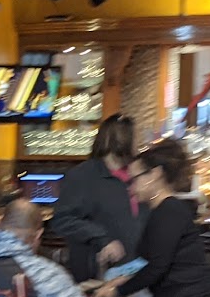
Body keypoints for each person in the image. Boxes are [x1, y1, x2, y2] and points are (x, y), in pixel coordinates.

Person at [96, 138, 210, 297]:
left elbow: (157, 267)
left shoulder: (169, 211)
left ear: (154, 175)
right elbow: (152, 262)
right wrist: (118, 281)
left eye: (134, 179)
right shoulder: (163, 211)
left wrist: (116, 292)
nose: (130, 187)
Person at [49, 114, 144, 282]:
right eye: (136, 138)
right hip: (100, 274)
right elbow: (62, 220)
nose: (140, 144)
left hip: (140, 272)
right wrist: (102, 239)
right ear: (121, 140)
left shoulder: (139, 174)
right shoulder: (82, 176)